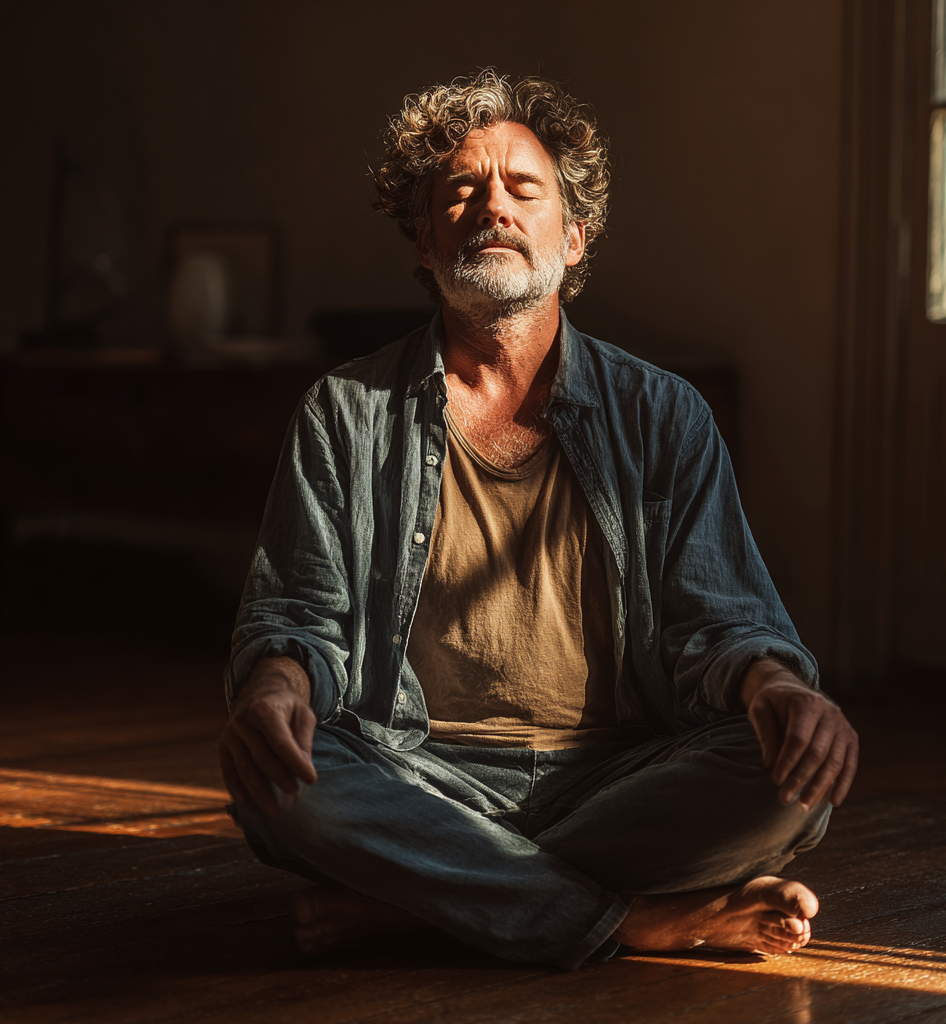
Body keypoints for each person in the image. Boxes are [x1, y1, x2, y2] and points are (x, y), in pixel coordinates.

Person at [219, 70, 859, 971]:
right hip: (417, 774)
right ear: (422, 241)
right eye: (461, 192)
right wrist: (275, 690)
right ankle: (633, 921)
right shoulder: (345, 410)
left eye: (525, 189)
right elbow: (297, 616)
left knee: (791, 781)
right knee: (282, 784)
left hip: (620, 775)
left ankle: (423, 905)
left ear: (575, 233)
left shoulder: (664, 413)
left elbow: (725, 621)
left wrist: (782, 692)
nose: (495, 209)